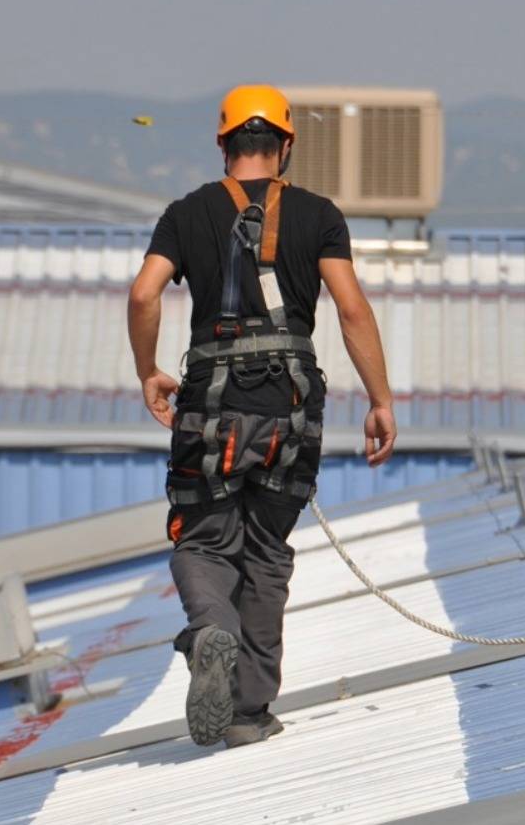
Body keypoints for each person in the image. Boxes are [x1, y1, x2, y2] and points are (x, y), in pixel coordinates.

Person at [127, 84, 396, 749]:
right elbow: (352, 306)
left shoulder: (186, 214)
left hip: (210, 407)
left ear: (223, 146)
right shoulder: (320, 215)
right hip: (291, 410)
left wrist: (147, 370)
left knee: (202, 538)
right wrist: (380, 399)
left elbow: (143, 293)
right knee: (267, 552)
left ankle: (209, 631)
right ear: (285, 145)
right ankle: (248, 712)